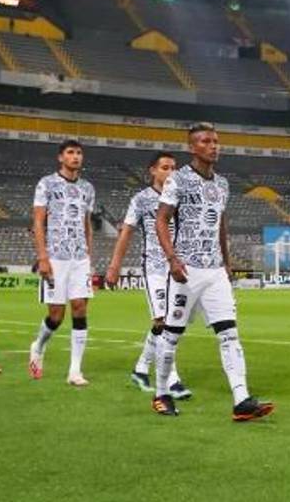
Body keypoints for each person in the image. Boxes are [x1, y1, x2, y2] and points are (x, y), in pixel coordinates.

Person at [152, 123, 273, 421]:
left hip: (215, 269)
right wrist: (172, 259)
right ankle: (161, 393)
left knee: (229, 333)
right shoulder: (178, 180)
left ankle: (241, 399)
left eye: (216, 141)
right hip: (187, 269)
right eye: (206, 141)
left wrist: (227, 262)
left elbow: (220, 223)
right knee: (172, 335)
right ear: (192, 147)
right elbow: (161, 220)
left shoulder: (222, 184)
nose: (213, 146)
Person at [106, 151, 191, 399]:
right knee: (164, 322)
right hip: (154, 267)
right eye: (165, 167)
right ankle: (171, 379)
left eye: (174, 168)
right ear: (152, 171)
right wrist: (114, 266)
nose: (171, 172)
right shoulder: (141, 199)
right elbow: (126, 232)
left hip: (178, 268)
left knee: (169, 323)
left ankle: (141, 368)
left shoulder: (182, 198)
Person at [28, 140, 96, 385]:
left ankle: (75, 371)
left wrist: (89, 257)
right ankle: (38, 345)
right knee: (56, 315)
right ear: (61, 157)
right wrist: (42, 257)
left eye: (79, 152)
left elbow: (87, 224)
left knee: (80, 307)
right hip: (55, 257)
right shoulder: (46, 184)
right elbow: (38, 222)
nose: (75, 156)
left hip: (79, 258)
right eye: (70, 152)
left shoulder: (88, 188)